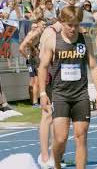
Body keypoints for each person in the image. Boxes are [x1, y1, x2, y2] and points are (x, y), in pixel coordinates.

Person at [38, 6, 97, 169]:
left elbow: (94, 67)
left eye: (76, 25)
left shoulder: (85, 41)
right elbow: (43, 67)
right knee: (60, 138)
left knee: (81, 137)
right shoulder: (52, 41)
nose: (73, 29)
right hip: (60, 95)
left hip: (81, 95)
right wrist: (42, 93)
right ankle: (57, 165)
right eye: (70, 25)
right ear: (62, 22)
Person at [37, 21, 63, 169]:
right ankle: (45, 156)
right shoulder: (50, 32)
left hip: (56, 77)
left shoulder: (57, 32)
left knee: (56, 116)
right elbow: (43, 60)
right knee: (47, 115)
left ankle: (55, 155)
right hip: (49, 77)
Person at [19, 18, 46, 108]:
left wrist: (28, 55)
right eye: (43, 25)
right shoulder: (36, 33)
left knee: (33, 81)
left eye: (45, 25)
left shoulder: (33, 33)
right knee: (36, 81)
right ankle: (35, 102)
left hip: (31, 59)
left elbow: (24, 46)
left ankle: (34, 102)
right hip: (33, 60)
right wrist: (33, 49)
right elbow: (23, 46)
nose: (44, 26)